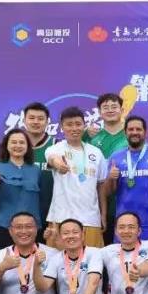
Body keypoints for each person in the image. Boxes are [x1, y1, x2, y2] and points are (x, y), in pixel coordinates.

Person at [45, 106, 109, 247]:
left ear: (84, 125)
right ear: (62, 127)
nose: (74, 128)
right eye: (69, 124)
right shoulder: (55, 148)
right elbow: (52, 158)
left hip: (90, 219)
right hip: (61, 218)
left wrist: (103, 215)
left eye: (78, 124)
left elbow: (101, 187)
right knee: (59, 260)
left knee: (91, 259)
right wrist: (59, 164)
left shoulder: (96, 153)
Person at [105, 115, 148, 242]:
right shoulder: (115, 157)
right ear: (125, 132)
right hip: (124, 225)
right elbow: (108, 192)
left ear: (145, 132)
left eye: (138, 129)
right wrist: (111, 178)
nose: (134, 132)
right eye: (131, 129)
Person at [0, 129, 42, 252]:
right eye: (14, 142)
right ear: (6, 145)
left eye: (22, 142)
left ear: (27, 146)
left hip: (31, 228)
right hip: (4, 226)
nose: (18, 145)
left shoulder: (35, 170)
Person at [84, 93, 132, 243]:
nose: (110, 110)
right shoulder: (92, 138)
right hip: (96, 205)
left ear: (122, 110)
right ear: (99, 112)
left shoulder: (132, 136)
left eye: (114, 106)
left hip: (126, 202)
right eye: (105, 107)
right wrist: (84, 134)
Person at [21, 102, 54, 240]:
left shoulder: (57, 145)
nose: (36, 122)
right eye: (31, 118)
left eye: (40, 118)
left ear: (47, 122)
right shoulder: (15, 146)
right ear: (24, 120)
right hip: (21, 215)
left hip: (50, 215)